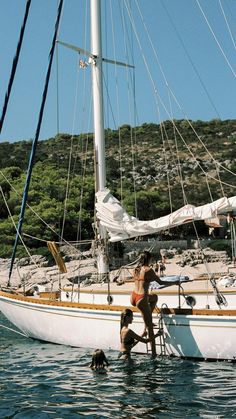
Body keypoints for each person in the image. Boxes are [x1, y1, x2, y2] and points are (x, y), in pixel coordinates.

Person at [130, 250, 175, 357]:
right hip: (141, 298)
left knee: (154, 297)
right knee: (150, 328)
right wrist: (175, 283)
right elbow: (161, 282)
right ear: (149, 259)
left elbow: (141, 282)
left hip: (133, 297)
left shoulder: (135, 269)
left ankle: (147, 321)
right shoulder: (148, 270)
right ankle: (153, 355)